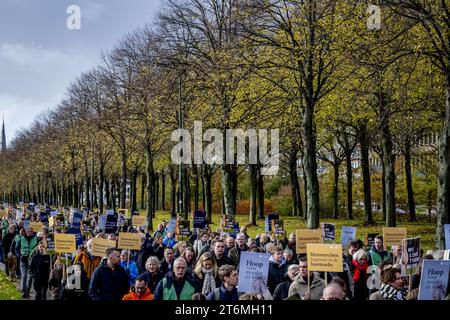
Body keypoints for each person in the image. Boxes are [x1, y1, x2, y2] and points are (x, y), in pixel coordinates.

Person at [16, 227, 37, 298]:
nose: (29, 232)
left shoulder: (35, 239)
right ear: (25, 232)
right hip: (23, 260)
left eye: (30, 231)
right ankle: (23, 290)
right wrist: (19, 255)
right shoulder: (21, 239)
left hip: (32, 260)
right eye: (27, 231)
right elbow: (16, 249)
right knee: (24, 276)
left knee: (29, 277)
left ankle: (27, 291)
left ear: (32, 232)